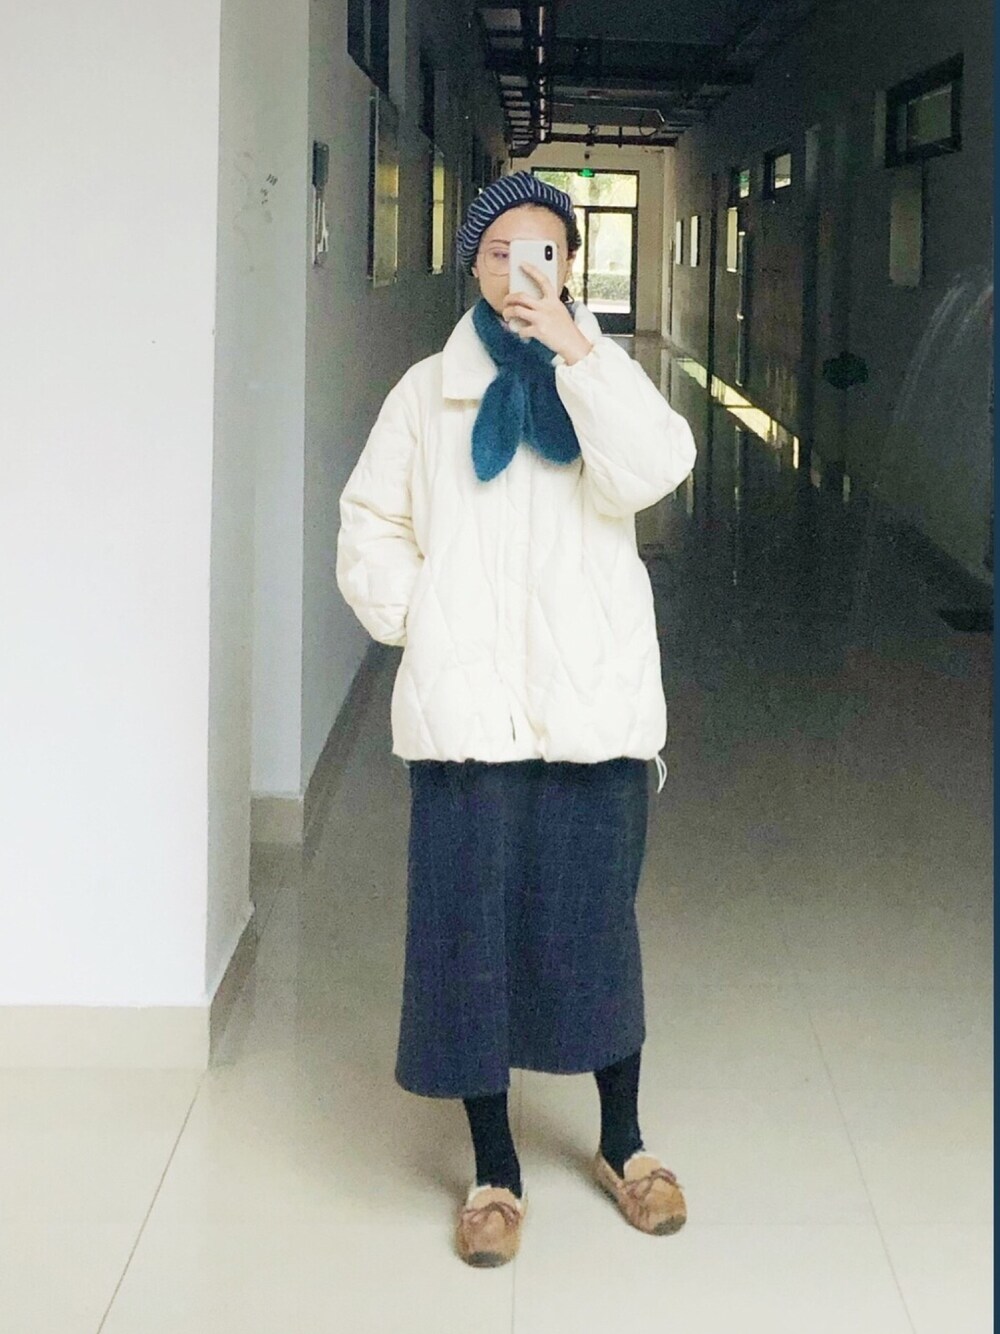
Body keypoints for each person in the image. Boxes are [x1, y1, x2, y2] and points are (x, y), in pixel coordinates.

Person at [336, 170, 697, 1268]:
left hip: (593, 707)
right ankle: (493, 1169)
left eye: (541, 252)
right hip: (469, 716)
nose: (518, 273)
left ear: (570, 265)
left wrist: (579, 355)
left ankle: (624, 1145)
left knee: (596, 928)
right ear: (473, 267)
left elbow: (658, 467)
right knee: (470, 938)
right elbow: (370, 523)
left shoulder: (604, 375)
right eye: (498, 253)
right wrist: (426, 620)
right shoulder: (425, 393)